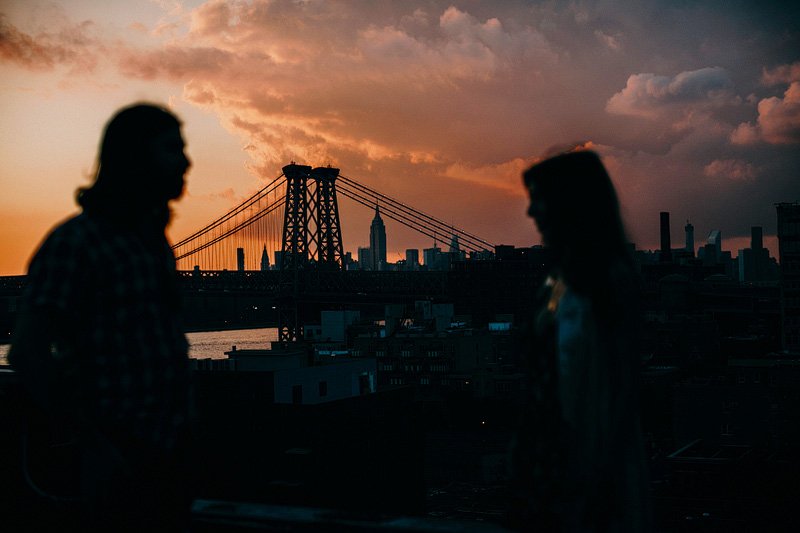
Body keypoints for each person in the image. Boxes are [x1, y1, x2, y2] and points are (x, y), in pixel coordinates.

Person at [9, 103, 194, 531]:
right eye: (172, 149)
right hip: (116, 458)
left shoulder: (151, 241)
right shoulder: (76, 242)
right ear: (135, 157)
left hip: (170, 456)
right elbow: (28, 351)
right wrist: (89, 441)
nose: (186, 161)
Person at [509, 150, 650, 532]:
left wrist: (596, 480)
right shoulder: (557, 283)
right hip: (548, 467)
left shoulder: (610, 283)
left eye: (539, 199)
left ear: (568, 204)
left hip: (585, 476)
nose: (531, 212)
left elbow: (620, 393)